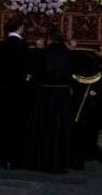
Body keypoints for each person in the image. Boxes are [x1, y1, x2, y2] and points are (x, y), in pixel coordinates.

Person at [26, 29, 74, 173]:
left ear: (49, 39)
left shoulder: (43, 53)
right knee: (60, 128)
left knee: (44, 127)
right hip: (62, 96)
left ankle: (42, 160)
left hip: (45, 95)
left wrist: (38, 50)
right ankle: (59, 161)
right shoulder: (69, 53)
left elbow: (35, 73)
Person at [0, 15, 30, 170]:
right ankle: (14, 158)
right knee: (17, 125)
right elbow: (27, 68)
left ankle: (2, 157)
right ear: (20, 28)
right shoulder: (22, 46)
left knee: (3, 124)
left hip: (3, 91)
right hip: (19, 92)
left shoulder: (1, 45)